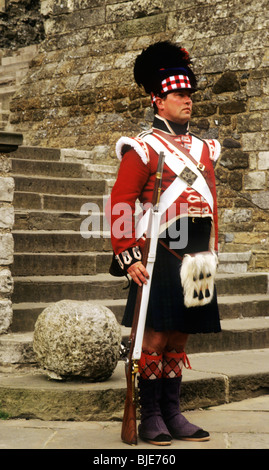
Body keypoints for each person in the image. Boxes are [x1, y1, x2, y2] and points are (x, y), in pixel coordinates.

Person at [107, 41, 221, 446]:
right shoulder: (142, 147)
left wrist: (213, 249)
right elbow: (121, 201)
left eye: (189, 94)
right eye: (179, 94)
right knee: (154, 337)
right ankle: (151, 414)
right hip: (159, 249)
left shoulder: (206, 148)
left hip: (198, 250)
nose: (187, 101)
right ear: (159, 99)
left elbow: (210, 200)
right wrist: (127, 254)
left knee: (180, 335)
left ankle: (173, 412)